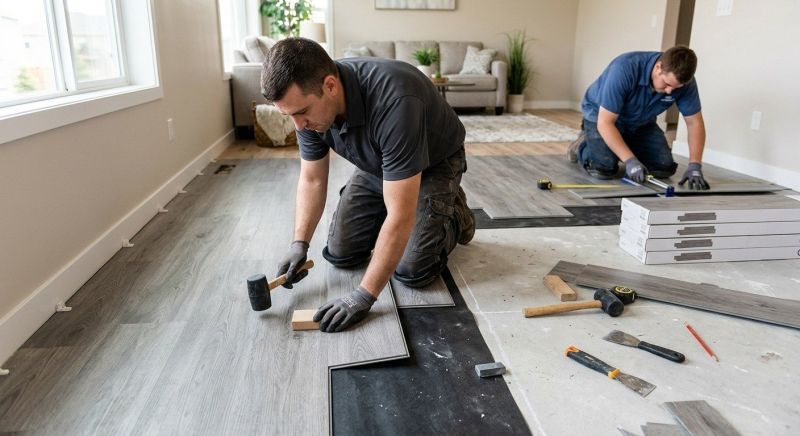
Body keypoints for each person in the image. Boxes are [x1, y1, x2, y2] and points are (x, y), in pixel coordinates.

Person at [261, 38, 475, 333]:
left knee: (412, 270)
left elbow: (399, 214)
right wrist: (299, 243)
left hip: (434, 162)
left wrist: (363, 296)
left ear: (330, 86)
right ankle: (413, 212)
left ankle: (453, 212)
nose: (298, 126)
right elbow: (312, 179)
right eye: (290, 116)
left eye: (301, 113)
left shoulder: (396, 100)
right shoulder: (308, 109)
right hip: (379, 163)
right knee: (340, 254)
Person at [568, 45, 710, 190]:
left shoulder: (685, 83)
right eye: (667, 84)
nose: (669, 91)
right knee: (603, 169)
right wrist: (630, 161)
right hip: (601, 116)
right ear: (658, 67)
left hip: (641, 121)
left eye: (676, 87)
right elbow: (605, 122)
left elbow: (694, 123)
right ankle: (583, 143)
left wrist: (695, 165)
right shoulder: (624, 69)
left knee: (663, 168)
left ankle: (621, 144)